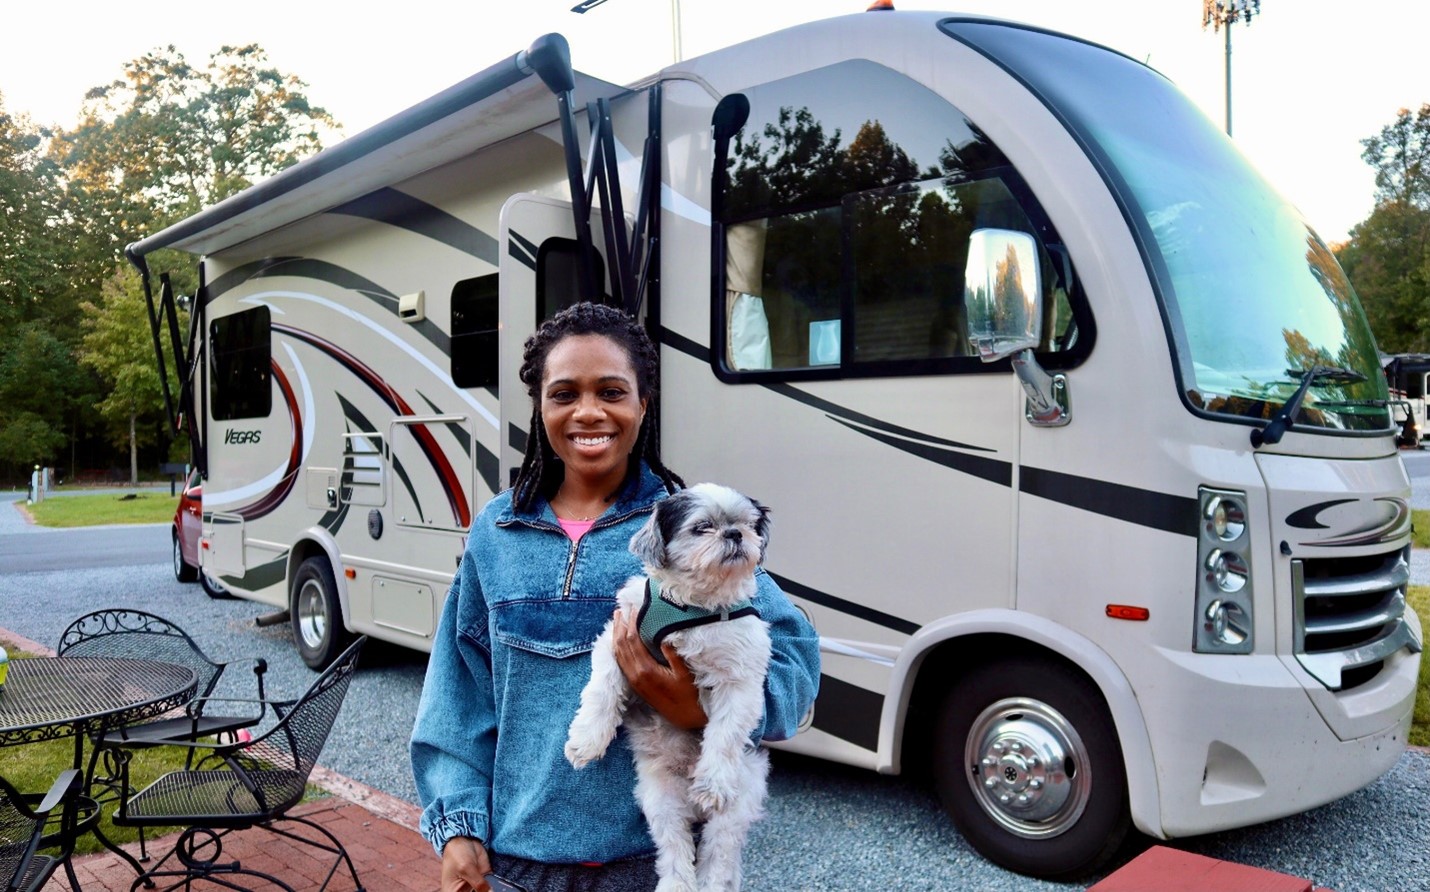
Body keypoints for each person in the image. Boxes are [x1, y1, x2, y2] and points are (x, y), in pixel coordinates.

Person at [410, 302, 821, 892]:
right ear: (540, 407)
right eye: (564, 394)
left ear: (642, 404)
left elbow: (792, 656)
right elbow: (458, 690)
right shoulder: (497, 534)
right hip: (521, 862)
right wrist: (458, 827)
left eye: (611, 390)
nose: (588, 412)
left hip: (653, 865)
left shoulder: (685, 529)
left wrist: (695, 709)